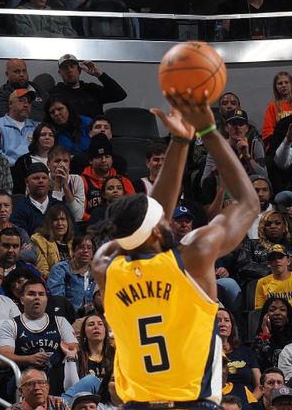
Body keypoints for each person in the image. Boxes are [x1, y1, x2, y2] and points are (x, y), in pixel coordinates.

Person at [91, 92, 259, 406]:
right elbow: (249, 203)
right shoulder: (194, 254)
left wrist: (180, 142)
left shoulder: (105, 265)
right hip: (193, 399)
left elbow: (146, 226)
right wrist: (208, 131)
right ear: (157, 228)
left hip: (137, 402)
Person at [0, 278, 78, 393]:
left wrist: (67, 357)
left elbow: (73, 349)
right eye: (31, 294)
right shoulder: (10, 324)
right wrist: (29, 359)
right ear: (22, 300)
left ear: (46, 299)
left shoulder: (60, 321)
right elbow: (3, 358)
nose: (37, 297)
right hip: (24, 376)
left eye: (41, 294)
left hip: (55, 375)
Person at [50, 55, 127, 119]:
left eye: (72, 66)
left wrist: (99, 74)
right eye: (65, 68)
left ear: (79, 70)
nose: (69, 70)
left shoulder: (91, 89)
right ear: (60, 73)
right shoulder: (54, 94)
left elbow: (120, 95)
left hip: (95, 133)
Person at [79, 135, 135, 221]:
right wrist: (99, 220)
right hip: (90, 226)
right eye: (99, 157)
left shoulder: (124, 181)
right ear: (90, 161)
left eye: (107, 156)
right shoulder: (81, 181)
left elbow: (133, 209)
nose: (104, 160)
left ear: (112, 159)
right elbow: (80, 213)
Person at [47, 234, 95, 314]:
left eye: (89, 248)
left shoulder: (97, 271)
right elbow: (57, 300)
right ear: (73, 250)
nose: (85, 251)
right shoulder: (60, 269)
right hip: (69, 317)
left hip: (93, 317)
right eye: (81, 247)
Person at [254, 245, 292, 310]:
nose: (277, 260)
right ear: (268, 264)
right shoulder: (262, 283)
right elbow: (259, 311)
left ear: (288, 261)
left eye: (280, 257)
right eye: (273, 258)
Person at [252, 298, 292, 371]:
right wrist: (265, 334)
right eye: (272, 310)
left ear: (288, 314)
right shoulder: (260, 338)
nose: (277, 313)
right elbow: (260, 364)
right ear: (265, 315)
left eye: (282, 310)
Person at [12, 123, 56, 195]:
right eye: (43, 135)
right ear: (36, 138)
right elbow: (19, 190)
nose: (47, 137)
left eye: (51, 135)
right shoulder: (23, 161)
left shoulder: (60, 160)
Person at [31, 205, 75, 278]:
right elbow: (42, 272)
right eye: (55, 220)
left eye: (63, 219)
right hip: (53, 283)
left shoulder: (73, 242)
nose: (60, 223)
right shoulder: (39, 241)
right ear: (49, 223)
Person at [263, 72, 292, 145]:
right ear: (275, 87)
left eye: (286, 82)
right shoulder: (272, 106)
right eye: (280, 83)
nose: (283, 85)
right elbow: (268, 131)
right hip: (280, 143)